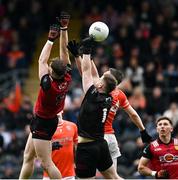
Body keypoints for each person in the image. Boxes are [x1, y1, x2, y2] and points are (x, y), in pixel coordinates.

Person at [67, 39, 152, 170]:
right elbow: (133, 114)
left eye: (105, 75)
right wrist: (143, 130)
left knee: (88, 175)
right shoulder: (119, 95)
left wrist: (82, 54)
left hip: (94, 138)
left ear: (108, 81)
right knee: (113, 176)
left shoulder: (97, 93)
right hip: (110, 137)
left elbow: (86, 73)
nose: (101, 75)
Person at [19, 12, 71, 179]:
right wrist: (64, 29)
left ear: (51, 71)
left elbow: (41, 60)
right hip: (45, 120)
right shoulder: (66, 77)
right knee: (27, 157)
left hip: (43, 122)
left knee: (46, 162)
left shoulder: (48, 86)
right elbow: (64, 52)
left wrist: (50, 40)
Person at [73, 37, 122, 179]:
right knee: (114, 178)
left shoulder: (92, 96)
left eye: (101, 79)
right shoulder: (109, 97)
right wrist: (80, 56)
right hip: (101, 145)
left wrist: (86, 51)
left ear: (100, 86)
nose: (98, 79)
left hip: (86, 148)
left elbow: (87, 72)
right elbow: (92, 74)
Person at [43, 112, 78, 180]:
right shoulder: (45, 128)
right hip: (49, 175)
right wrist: (50, 147)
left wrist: (77, 163)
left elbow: (77, 148)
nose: (56, 110)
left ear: (62, 110)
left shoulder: (73, 126)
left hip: (69, 175)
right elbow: (38, 152)